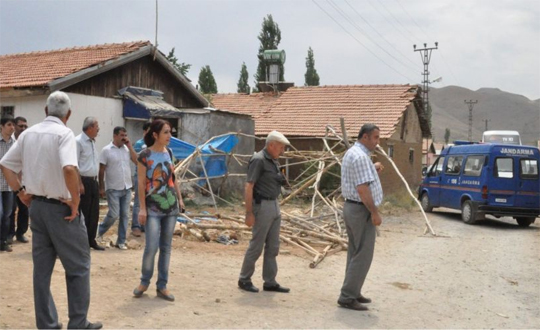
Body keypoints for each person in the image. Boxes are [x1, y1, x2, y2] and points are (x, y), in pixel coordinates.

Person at [0, 91, 102, 329]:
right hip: (61, 209)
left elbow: (5, 165)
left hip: (38, 207)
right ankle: (78, 323)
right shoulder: (64, 133)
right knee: (78, 267)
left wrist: (20, 192)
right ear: (68, 114)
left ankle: (47, 324)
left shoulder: (29, 133)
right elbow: (68, 168)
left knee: (42, 271)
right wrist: (76, 202)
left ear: (46, 111)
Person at [132, 119, 184, 301]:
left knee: (166, 248)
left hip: (171, 208)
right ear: (155, 135)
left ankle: (162, 285)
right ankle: (144, 281)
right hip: (152, 208)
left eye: (170, 132)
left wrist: (180, 198)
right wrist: (142, 209)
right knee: (151, 247)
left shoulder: (169, 152)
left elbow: (173, 178)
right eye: (166, 132)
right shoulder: (144, 155)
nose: (170, 136)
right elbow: (140, 183)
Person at [337, 123, 384, 311]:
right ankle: (347, 296)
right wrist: (374, 212)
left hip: (352, 207)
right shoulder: (360, 157)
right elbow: (362, 188)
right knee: (363, 254)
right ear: (365, 137)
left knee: (355, 252)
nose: (378, 142)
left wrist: (373, 167)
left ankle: (353, 291)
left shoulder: (354, 153)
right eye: (376, 138)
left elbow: (357, 178)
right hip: (360, 209)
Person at [238, 130, 291, 294]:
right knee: (257, 245)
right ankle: (244, 278)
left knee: (273, 246)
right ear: (271, 145)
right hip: (262, 206)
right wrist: (249, 213)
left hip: (274, 204)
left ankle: (270, 281)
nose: (282, 151)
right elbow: (249, 186)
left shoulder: (273, 161)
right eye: (280, 148)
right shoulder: (259, 160)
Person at [97, 126, 137, 250]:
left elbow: (137, 161)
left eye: (125, 135)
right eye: (121, 135)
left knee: (125, 215)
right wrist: (101, 187)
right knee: (114, 214)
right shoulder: (106, 150)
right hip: (113, 188)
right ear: (115, 136)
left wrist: (130, 146)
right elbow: (101, 170)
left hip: (127, 187)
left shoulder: (126, 149)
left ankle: (121, 241)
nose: (124, 138)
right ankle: (99, 231)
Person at [76, 117, 104, 251]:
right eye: (96, 126)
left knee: (94, 213)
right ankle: (81, 241)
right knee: (84, 212)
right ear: (90, 127)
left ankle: (91, 240)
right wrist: (79, 183)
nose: (98, 129)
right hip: (84, 181)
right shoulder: (78, 141)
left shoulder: (92, 142)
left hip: (93, 181)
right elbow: (74, 164)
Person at [7, 116, 29, 244]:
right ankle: (10, 233)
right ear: (14, 126)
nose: (23, 128)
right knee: (11, 209)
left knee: (24, 209)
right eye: (21, 126)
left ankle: (21, 233)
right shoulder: (10, 142)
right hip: (12, 181)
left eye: (25, 126)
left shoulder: (28, 140)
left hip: (25, 181)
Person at [131, 122, 151, 237]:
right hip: (140, 176)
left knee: (147, 202)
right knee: (138, 202)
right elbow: (136, 159)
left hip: (150, 178)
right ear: (144, 131)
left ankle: (144, 225)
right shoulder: (140, 144)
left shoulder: (154, 144)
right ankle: (136, 226)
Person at [0, 116, 16, 252]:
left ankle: (3, 241)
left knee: (7, 214)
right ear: (2, 126)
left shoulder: (15, 143)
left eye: (13, 125)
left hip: (9, 185)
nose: (12, 127)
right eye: (9, 125)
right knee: (0, 213)